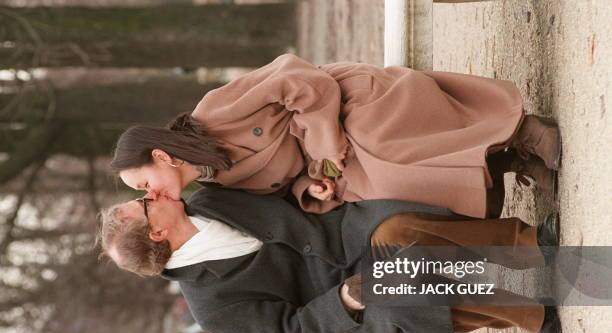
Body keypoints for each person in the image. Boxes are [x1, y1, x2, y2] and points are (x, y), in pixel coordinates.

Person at [97, 186, 563, 333]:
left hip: (344, 233)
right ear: (157, 234)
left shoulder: (205, 197)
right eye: (142, 204)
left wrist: (310, 185)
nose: (149, 194)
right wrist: (342, 302)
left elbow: (278, 187)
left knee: (400, 228)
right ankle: (533, 318)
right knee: (403, 291)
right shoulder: (211, 307)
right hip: (342, 296)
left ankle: (529, 246)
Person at [112, 53, 561, 219]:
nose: (150, 195)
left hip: (341, 104)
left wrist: (327, 148)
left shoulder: (212, 111)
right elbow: (288, 188)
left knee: (379, 142)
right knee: (376, 192)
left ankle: (522, 130)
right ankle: (502, 163)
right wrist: (315, 184)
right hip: (334, 162)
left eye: (143, 183)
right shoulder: (217, 181)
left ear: (160, 155)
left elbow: (295, 78)